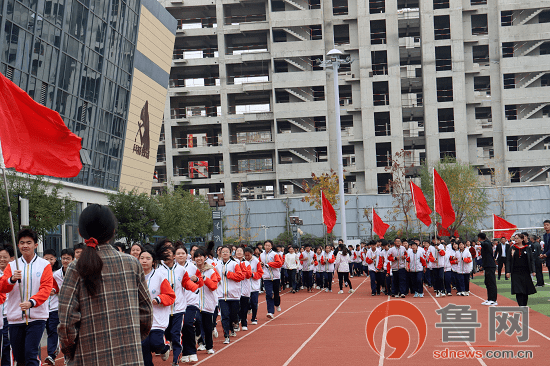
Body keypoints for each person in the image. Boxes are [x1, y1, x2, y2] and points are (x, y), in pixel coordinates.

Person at [58, 204, 153, 365]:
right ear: (113, 231)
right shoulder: (132, 263)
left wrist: (71, 351)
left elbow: (67, 322)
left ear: (81, 233)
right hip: (130, 357)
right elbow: (146, 312)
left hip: (89, 356)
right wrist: (132, 338)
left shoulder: (76, 267)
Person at [0, 229, 52, 366]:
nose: (25, 246)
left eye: (29, 242)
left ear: (35, 245)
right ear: (18, 245)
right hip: (15, 318)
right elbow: (2, 287)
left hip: (36, 318)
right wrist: (11, 279)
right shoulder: (12, 266)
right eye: (22, 242)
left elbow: (46, 289)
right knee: (19, 357)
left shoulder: (44, 265)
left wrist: (31, 302)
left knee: (30, 355)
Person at [139, 248, 175, 366]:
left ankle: (164, 348)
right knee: (143, 347)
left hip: (157, 318)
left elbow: (171, 296)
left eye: (148, 258)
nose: (144, 261)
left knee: (155, 344)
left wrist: (159, 299)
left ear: (153, 261)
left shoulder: (159, 276)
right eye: (142, 258)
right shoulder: (134, 277)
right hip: (140, 319)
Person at [156, 242, 186, 366]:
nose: (167, 256)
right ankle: (165, 346)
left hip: (179, 308)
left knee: (176, 334)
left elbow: (187, 283)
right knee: (164, 334)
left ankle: (175, 360)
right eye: (165, 254)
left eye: (169, 254)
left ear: (174, 256)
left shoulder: (181, 269)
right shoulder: (158, 271)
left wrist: (196, 285)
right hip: (164, 309)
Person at [194, 249, 219, 355]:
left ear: (205, 258)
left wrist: (204, 278)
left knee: (208, 326)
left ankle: (209, 346)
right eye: (196, 256)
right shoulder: (191, 270)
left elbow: (213, 286)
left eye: (201, 256)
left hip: (208, 302)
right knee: (197, 322)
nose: (199, 258)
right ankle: (200, 342)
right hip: (195, 302)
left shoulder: (211, 270)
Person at [218, 246, 243, 344]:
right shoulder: (216, 265)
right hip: (221, 295)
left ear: (230, 253)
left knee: (233, 315)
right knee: (225, 316)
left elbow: (240, 276)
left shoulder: (234, 264)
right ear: (220, 253)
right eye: (222, 252)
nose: (224, 253)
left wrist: (228, 274)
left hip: (234, 295)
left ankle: (233, 325)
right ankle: (226, 335)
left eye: (226, 252)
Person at [506, 234, 536, 306]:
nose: (516, 240)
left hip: (525, 271)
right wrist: (508, 271)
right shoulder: (512, 248)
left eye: (518, 238)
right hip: (515, 272)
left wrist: (533, 270)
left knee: (525, 290)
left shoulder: (527, 248)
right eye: (515, 238)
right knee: (518, 290)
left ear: (522, 239)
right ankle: (521, 306)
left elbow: (531, 260)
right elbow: (508, 260)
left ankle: (524, 305)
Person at [260, 240, 283, 318]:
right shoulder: (261, 255)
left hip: (275, 277)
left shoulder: (275, 254)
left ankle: (277, 304)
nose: (267, 247)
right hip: (266, 277)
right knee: (269, 294)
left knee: (276, 293)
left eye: (268, 245)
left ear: (271, 246)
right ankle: (270, 312)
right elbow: (259, 264)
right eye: (266, 245)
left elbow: (279, 263)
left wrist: (268, 264)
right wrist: (261, 264)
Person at [0, 245, 13, 366]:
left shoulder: (14, 275)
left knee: (6, 347)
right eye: (0, 257)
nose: (2, 260)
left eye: (5, 257)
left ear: (11, 258)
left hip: (8, 317)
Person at [235, 247, 252, 332]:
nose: (239, 252)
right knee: (236, 307)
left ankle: (244, 323)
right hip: (235, 288)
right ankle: (237, 323)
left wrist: (242, 268)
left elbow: (248, 275)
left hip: (245, 287)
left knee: (244, 307)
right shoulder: (233, 262)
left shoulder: (247, 263)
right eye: (237, 251)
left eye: (240, 251)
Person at [479, 232, 498, 306]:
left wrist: (481, 242)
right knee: (487, 282)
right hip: (487, 266)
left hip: (490, 266)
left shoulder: (487, 243)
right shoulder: (486, 243)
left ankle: (494, 300)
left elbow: (486, 244)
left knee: (491, 282)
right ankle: (489, 298)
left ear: (479, 238)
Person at [245, 247, 263, 324]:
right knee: (245, 303)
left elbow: (260, 273)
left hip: (254, 285)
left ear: (251, 254)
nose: (246, 257)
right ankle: (244, 318)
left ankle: (254, 318)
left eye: (248, 255)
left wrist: (252, 274)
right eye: (245, 255)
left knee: (254, 302)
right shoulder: (242, 261)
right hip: (245, 286)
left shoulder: (256, 261)